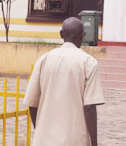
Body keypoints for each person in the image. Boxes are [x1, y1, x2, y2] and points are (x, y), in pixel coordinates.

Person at [25, 17, 105, 146]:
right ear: (83, 35)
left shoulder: (43, 60)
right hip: (75, 139)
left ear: (61, 34)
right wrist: (94, 143)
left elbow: (32, 103)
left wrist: (40, 130)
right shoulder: (88, 62)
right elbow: (90, 106)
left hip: (44, 139)